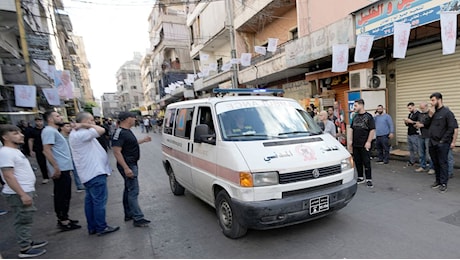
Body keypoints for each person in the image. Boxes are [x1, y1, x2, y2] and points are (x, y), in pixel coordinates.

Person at [0, 124, 48, 258]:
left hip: (24, 190)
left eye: (20, 133)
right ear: (5, 137)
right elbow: (8, 175)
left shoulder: (14, 150)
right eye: (15, 133)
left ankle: (27, 241)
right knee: (23, 220)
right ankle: (25, 248)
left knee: (26, 219)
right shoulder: (5, 152)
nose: (21, 135)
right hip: (18, 193)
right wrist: (22, 194)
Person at [69, 112, 120, 236]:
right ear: (85, 121)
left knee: (91, 201)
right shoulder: (81, 133)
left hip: (89, 173)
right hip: (94, 173)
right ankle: (101, 227)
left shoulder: (77, 134)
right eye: (91, 120)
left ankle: (93, 227)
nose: (94, 123)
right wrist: (83, 125)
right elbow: (101, 130)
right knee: (98, 202)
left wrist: (83, 125)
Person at [41, 111, 81, 231]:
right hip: (60, 169)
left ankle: (65, 217)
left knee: (65, 194)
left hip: (64, 167)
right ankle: (63, 220)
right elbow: (46, 150)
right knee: (61, 195)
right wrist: (56, 167)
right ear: (50, 119)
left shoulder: (54, 131)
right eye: (57, 116)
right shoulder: (49, 131)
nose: (61, 117)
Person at [112, 112, 152, 227]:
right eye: (134, 118)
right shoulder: (120, 132)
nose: (135, 120)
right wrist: (126, 168)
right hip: (128, 165)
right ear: (128, 119)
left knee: (128, 189)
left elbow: (130, 144)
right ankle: (138, 217)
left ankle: (129, 213)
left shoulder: (125, 132)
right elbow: (116, 151)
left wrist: (143, 141)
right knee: (133, 191)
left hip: (131, 164)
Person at [425, 92, 457, 193]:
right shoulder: (433, 113)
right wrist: (429, 116)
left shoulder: (447, 113)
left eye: (433, 100)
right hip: (432, 142)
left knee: (443, 163)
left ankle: (444, 183)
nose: (431, 103)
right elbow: (426, 125)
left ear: (439, 100)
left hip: (442, 143)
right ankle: (438, 181)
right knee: (435, 162)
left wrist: (443, 140)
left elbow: (451, 128)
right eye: (431, 100)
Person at [349, 99, 375, 188]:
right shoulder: (355, 117)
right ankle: (360, 177)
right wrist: (350, 141)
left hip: (364, 143)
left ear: (361, 105)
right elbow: (352, 129)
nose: (354, 108)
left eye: (355, 106)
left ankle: (368, 179)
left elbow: (372, 130)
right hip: (356, 144)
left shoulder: (369, 117)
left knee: (366, 161)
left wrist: (368, 142)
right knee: (357, 161)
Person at [59, 122, 85, 192]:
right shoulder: (59, 137)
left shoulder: (71, 136)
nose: (69, 128)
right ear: (62, 128)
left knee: (77, 171)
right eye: (67, 126)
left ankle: (79, 185)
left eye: (70, 126)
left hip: (73, 156)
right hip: (64, 158)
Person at [27, 117, 50, 184]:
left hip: (48, 147)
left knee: (51, 161)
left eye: (40, 121)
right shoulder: (32, 131)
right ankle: (45, 177)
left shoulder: (46, 129)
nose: (39, 123)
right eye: (37, 121)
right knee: (42, 163)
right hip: (38, 149)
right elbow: (30, 140)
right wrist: (31, 150)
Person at [414, 102, 435, 173]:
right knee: (421, 152)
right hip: (421, 135)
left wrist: (422, 125)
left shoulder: (431, 113)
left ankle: (432, 168)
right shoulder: (420, 114)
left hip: (428, 135)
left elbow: (432, 124)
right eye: (420, 108)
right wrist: (417, 124)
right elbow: (419, 122)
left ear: (426, 107)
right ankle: (422, 166)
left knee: (430, 153)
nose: (421, 109)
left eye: (422, 108)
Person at [404, 102, 420, 166]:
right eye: (408, 108)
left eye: (410, 108)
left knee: (417, 148)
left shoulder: (418, 114)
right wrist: (406, 122)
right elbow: (408, 124)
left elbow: (419, 123)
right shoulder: (410, 114)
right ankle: (412, 161)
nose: (409, 110)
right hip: (409, 133)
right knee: (411, 149)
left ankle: (421, 162)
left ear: (414, 107)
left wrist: (412, 122)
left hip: (415, 133)